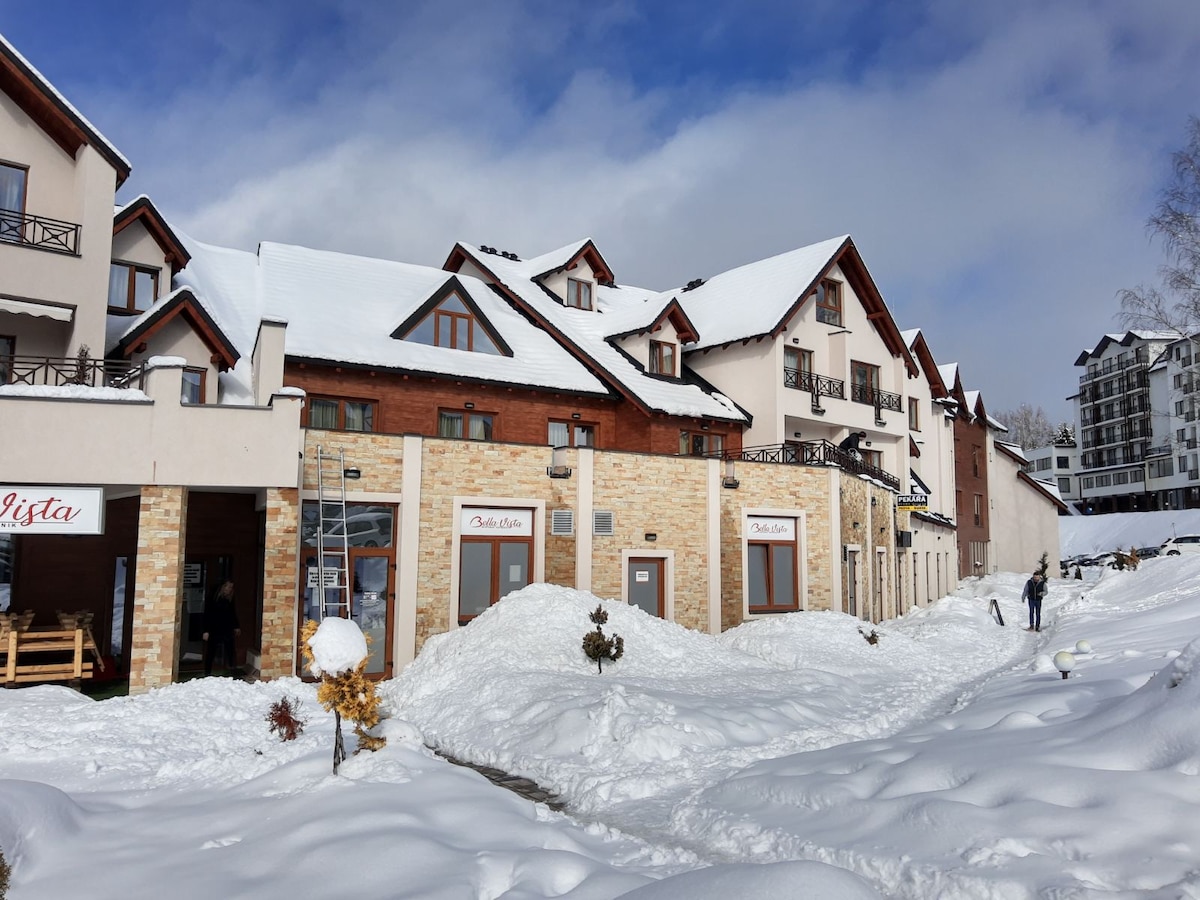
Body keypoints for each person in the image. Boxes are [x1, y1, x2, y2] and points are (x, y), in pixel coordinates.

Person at [202, 580, 240, 676]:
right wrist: (206, 630)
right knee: (211, 650)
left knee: (230, 650)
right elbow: (208, 614)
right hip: (214, 628)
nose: (230, 589)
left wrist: (236, 626)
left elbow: (232, 613)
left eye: (231, 587)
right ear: (223, 587)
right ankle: (207, 672)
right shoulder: (213, 599)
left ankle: (232, 670)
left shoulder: (229, 599)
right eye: (228, 587)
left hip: (227, 628)